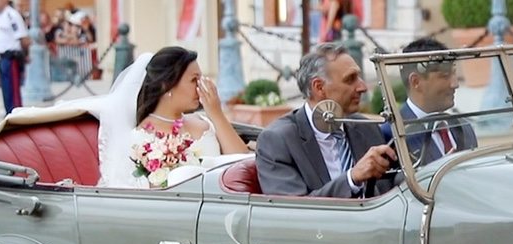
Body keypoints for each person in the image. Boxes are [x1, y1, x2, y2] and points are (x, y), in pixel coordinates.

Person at [255, 43, 397, 198]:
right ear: (319, 87)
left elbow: (392, 185)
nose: (363, 87)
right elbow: (293, 209)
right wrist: (352, 178)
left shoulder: (365, 127)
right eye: (351, 79)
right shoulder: (277, 140)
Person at [98, 46, 250, 188]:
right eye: (193, 80)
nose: (200, 87)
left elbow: (241, 160)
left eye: (201, 80)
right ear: (167, 85)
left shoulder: (203, 121)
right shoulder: (140, 141)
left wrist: (217, 114)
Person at [381, 37, 477, 166]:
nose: (455, 84)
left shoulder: (464, 129)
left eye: (454, 74)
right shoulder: (391, 135)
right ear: (416, 82)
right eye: (445, 76)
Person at [0, 0, 30, 114]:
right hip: (2, 57)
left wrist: (26, 54)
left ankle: (16, 115)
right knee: (6, 91)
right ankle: (9, 113)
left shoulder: (11, 15)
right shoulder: (1, 15)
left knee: (13, 92)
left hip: (11, 56)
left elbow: (22, 37)